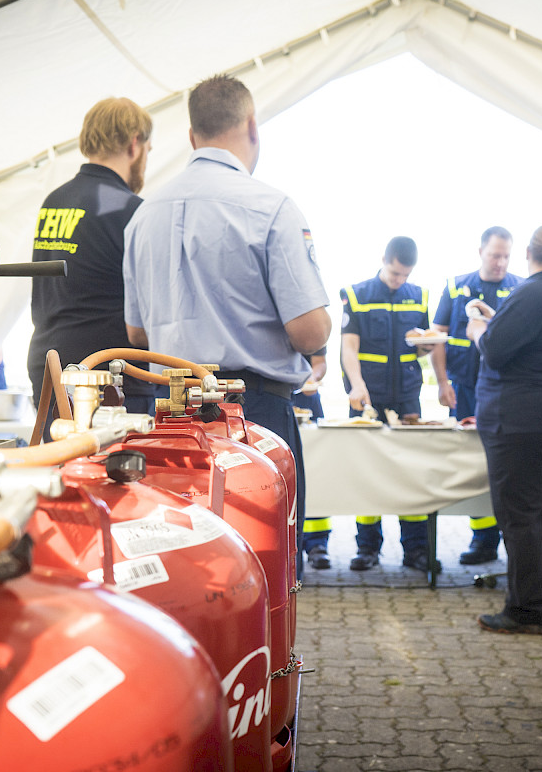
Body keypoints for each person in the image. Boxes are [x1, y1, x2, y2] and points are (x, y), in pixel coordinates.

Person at [123, 74, 331, 579]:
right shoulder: (271, 208)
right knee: (263, 569)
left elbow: (137, 337)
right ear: (252, 126)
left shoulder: (144, 216)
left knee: (186, 562)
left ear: (192, 136)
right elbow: (311, 332)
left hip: (170, 415)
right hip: (251, 414)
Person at [27, 97, 162, 426]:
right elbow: (152, 307)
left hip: (50, 367)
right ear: (135, 144)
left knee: (64, 474)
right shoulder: (130, 210)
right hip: (109, 381)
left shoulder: (54, 201)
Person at [468, 225, 542, 635]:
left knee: (520, 516)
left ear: (528, 252)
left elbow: (493, 351)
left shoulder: (531, 292)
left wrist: (478, 329)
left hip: (520, 420)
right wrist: (499, 322)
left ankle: (526, 609)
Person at [340, 236, 435, 572]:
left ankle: (417, 550)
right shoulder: (357, 295)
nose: (400, 281)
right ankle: (367, 548)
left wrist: (426, 347)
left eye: (406, 275)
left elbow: (422, 345)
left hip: (408, 396)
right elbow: (349, 347)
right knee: (367, 471)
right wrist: (357, 384)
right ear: (384, 260)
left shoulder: (419, 296)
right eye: (395, 273)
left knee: (411, 471)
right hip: (367, 397)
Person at [431, 226, 523, 565]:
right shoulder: (455, 286)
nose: (500, 263)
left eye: (506, 256)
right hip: (464, 390)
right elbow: (437, 337)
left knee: (500, 466)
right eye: (494, 255)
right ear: (481, 252)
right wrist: (443, 382)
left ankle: (500, 541)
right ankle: (482, 540)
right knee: (470, 463)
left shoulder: (519, 289)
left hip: (503, 395)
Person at [295, 351, 335, 570]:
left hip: (307, 396)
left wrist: (313, 378)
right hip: (272, 393)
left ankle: (318, 544)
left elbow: (319, 362)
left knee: (315, 470)